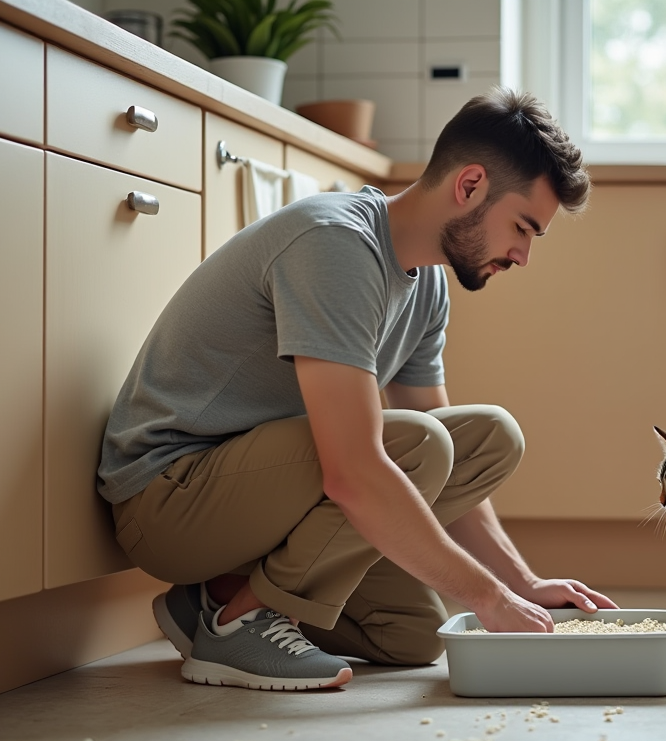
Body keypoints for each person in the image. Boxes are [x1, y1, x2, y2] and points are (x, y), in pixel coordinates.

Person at [97, 87, 616, 692]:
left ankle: (213, 599)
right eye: (523, 228)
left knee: (418, 620)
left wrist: (520, 584)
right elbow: (354, 469)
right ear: (470, 185)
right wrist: (487, 596)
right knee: (415, 445)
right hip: (169, 500)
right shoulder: (337, 246)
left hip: (255, 501)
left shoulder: (427, 288)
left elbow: (448, 462)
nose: (523, 256)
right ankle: (236, 623)